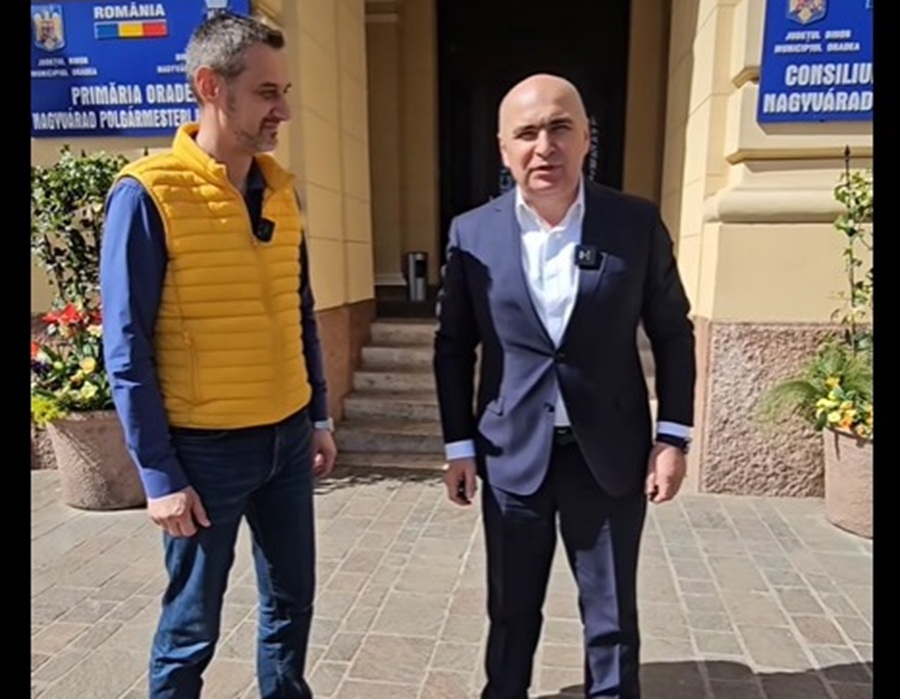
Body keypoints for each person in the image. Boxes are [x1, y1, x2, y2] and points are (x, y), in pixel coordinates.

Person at [433, 73, 696, 699]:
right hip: (510, 455)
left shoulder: (633, 223)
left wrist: (673, 438)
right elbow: (453, 346)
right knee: (510, 612)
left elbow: (672, 332)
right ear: (504, 148)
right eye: (526, 133)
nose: (543, 146)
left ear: (585, 139)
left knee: (611, 617)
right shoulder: (473, 233)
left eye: (559, 128)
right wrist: (459, 446)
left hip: (608, 455)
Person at [99, 12, 337, 699]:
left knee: (292, 602)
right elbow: (126, 346)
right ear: (211, 86)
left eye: (284, 92)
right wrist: (159, 474)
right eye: (266, 93)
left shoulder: (281, 190)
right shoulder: (148, 194)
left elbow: (298, 309)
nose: (282, 110)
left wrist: (318, 414)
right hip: (205, 454)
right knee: (191, 626)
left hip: (287, 439)